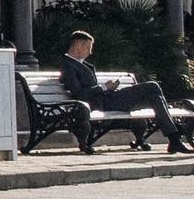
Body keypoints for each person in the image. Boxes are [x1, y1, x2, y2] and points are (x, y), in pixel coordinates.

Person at [57, 31, 190, 154]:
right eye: (88, 47)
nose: (90, 52)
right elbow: (80, 95)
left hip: (109, 99)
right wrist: (104, 88)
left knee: (154, 96)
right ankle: (175, 130)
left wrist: (109, 88)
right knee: (152, 86)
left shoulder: (85, 65)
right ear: (78, 45)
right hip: (100, 104)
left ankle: (174, 140)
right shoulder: (68, 66)